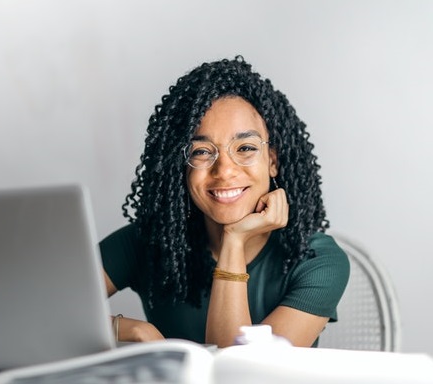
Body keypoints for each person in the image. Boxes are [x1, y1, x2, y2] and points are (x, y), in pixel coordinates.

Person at [100, 56, 349, 348]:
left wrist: (234, 239)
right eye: (202, 152)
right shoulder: (148, 242)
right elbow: (40, 311)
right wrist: (133, 330)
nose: (225, 171)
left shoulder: (316, 260)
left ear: (272, 161)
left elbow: (242, 376)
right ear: (180, 166)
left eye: (245, 148)